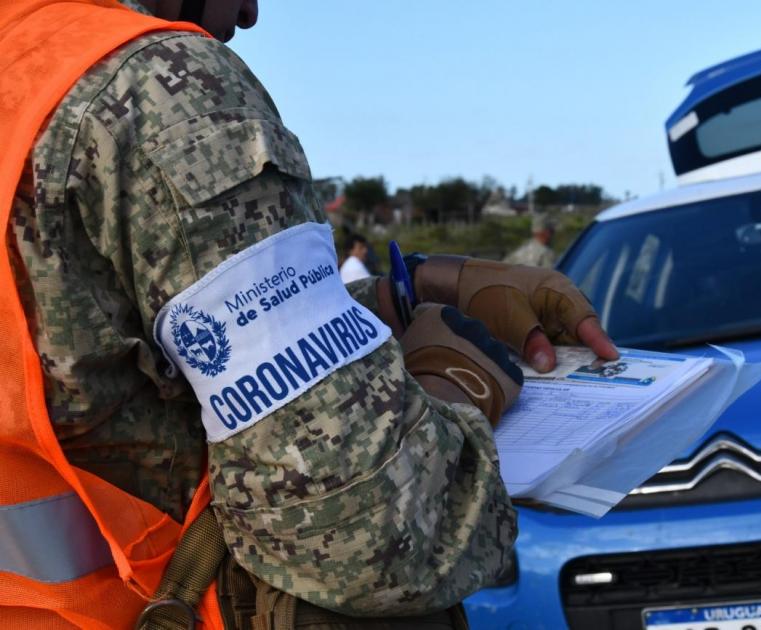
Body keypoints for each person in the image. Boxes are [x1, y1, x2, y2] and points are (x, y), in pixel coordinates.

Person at [0, 1, 618, 627]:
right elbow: (375, 537)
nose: (248, 12)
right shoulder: (152, 83)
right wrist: (452, 384)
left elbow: (88, 368)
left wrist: (391, 300)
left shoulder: (24, 77)